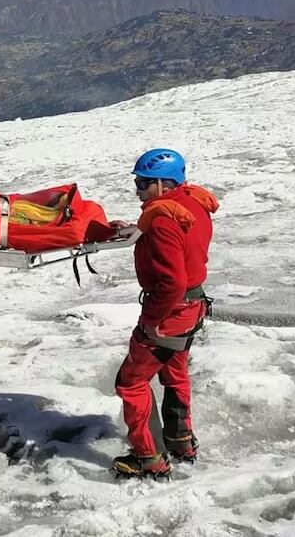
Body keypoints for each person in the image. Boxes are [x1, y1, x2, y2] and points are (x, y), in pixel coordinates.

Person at [110, 148, 219, 478]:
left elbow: (172, 281)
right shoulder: (191, 203)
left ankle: (148, 458)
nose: (138, 190)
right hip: (193, 306)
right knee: (175, 373)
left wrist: (154, 323)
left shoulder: (162, 221)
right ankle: (180, 440)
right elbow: (179, 237)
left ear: (162, 183)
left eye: (143, 183)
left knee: (131, 382)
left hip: (171, 311)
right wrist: (137, 228)